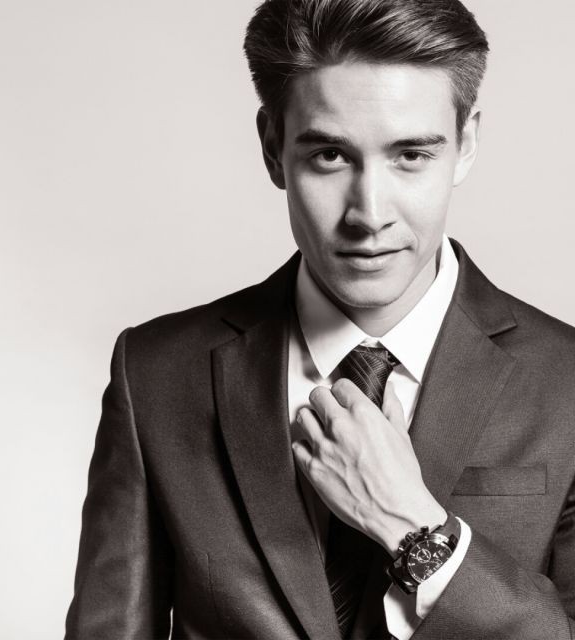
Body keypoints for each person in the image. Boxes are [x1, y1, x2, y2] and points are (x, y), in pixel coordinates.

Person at [65, 1, 575, 638]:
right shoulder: (158, 375)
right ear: (272, 147)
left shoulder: (566, 385)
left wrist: (415, 530)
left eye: (411, 155)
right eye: (330, 156)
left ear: (465, 143)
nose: (370, 214)